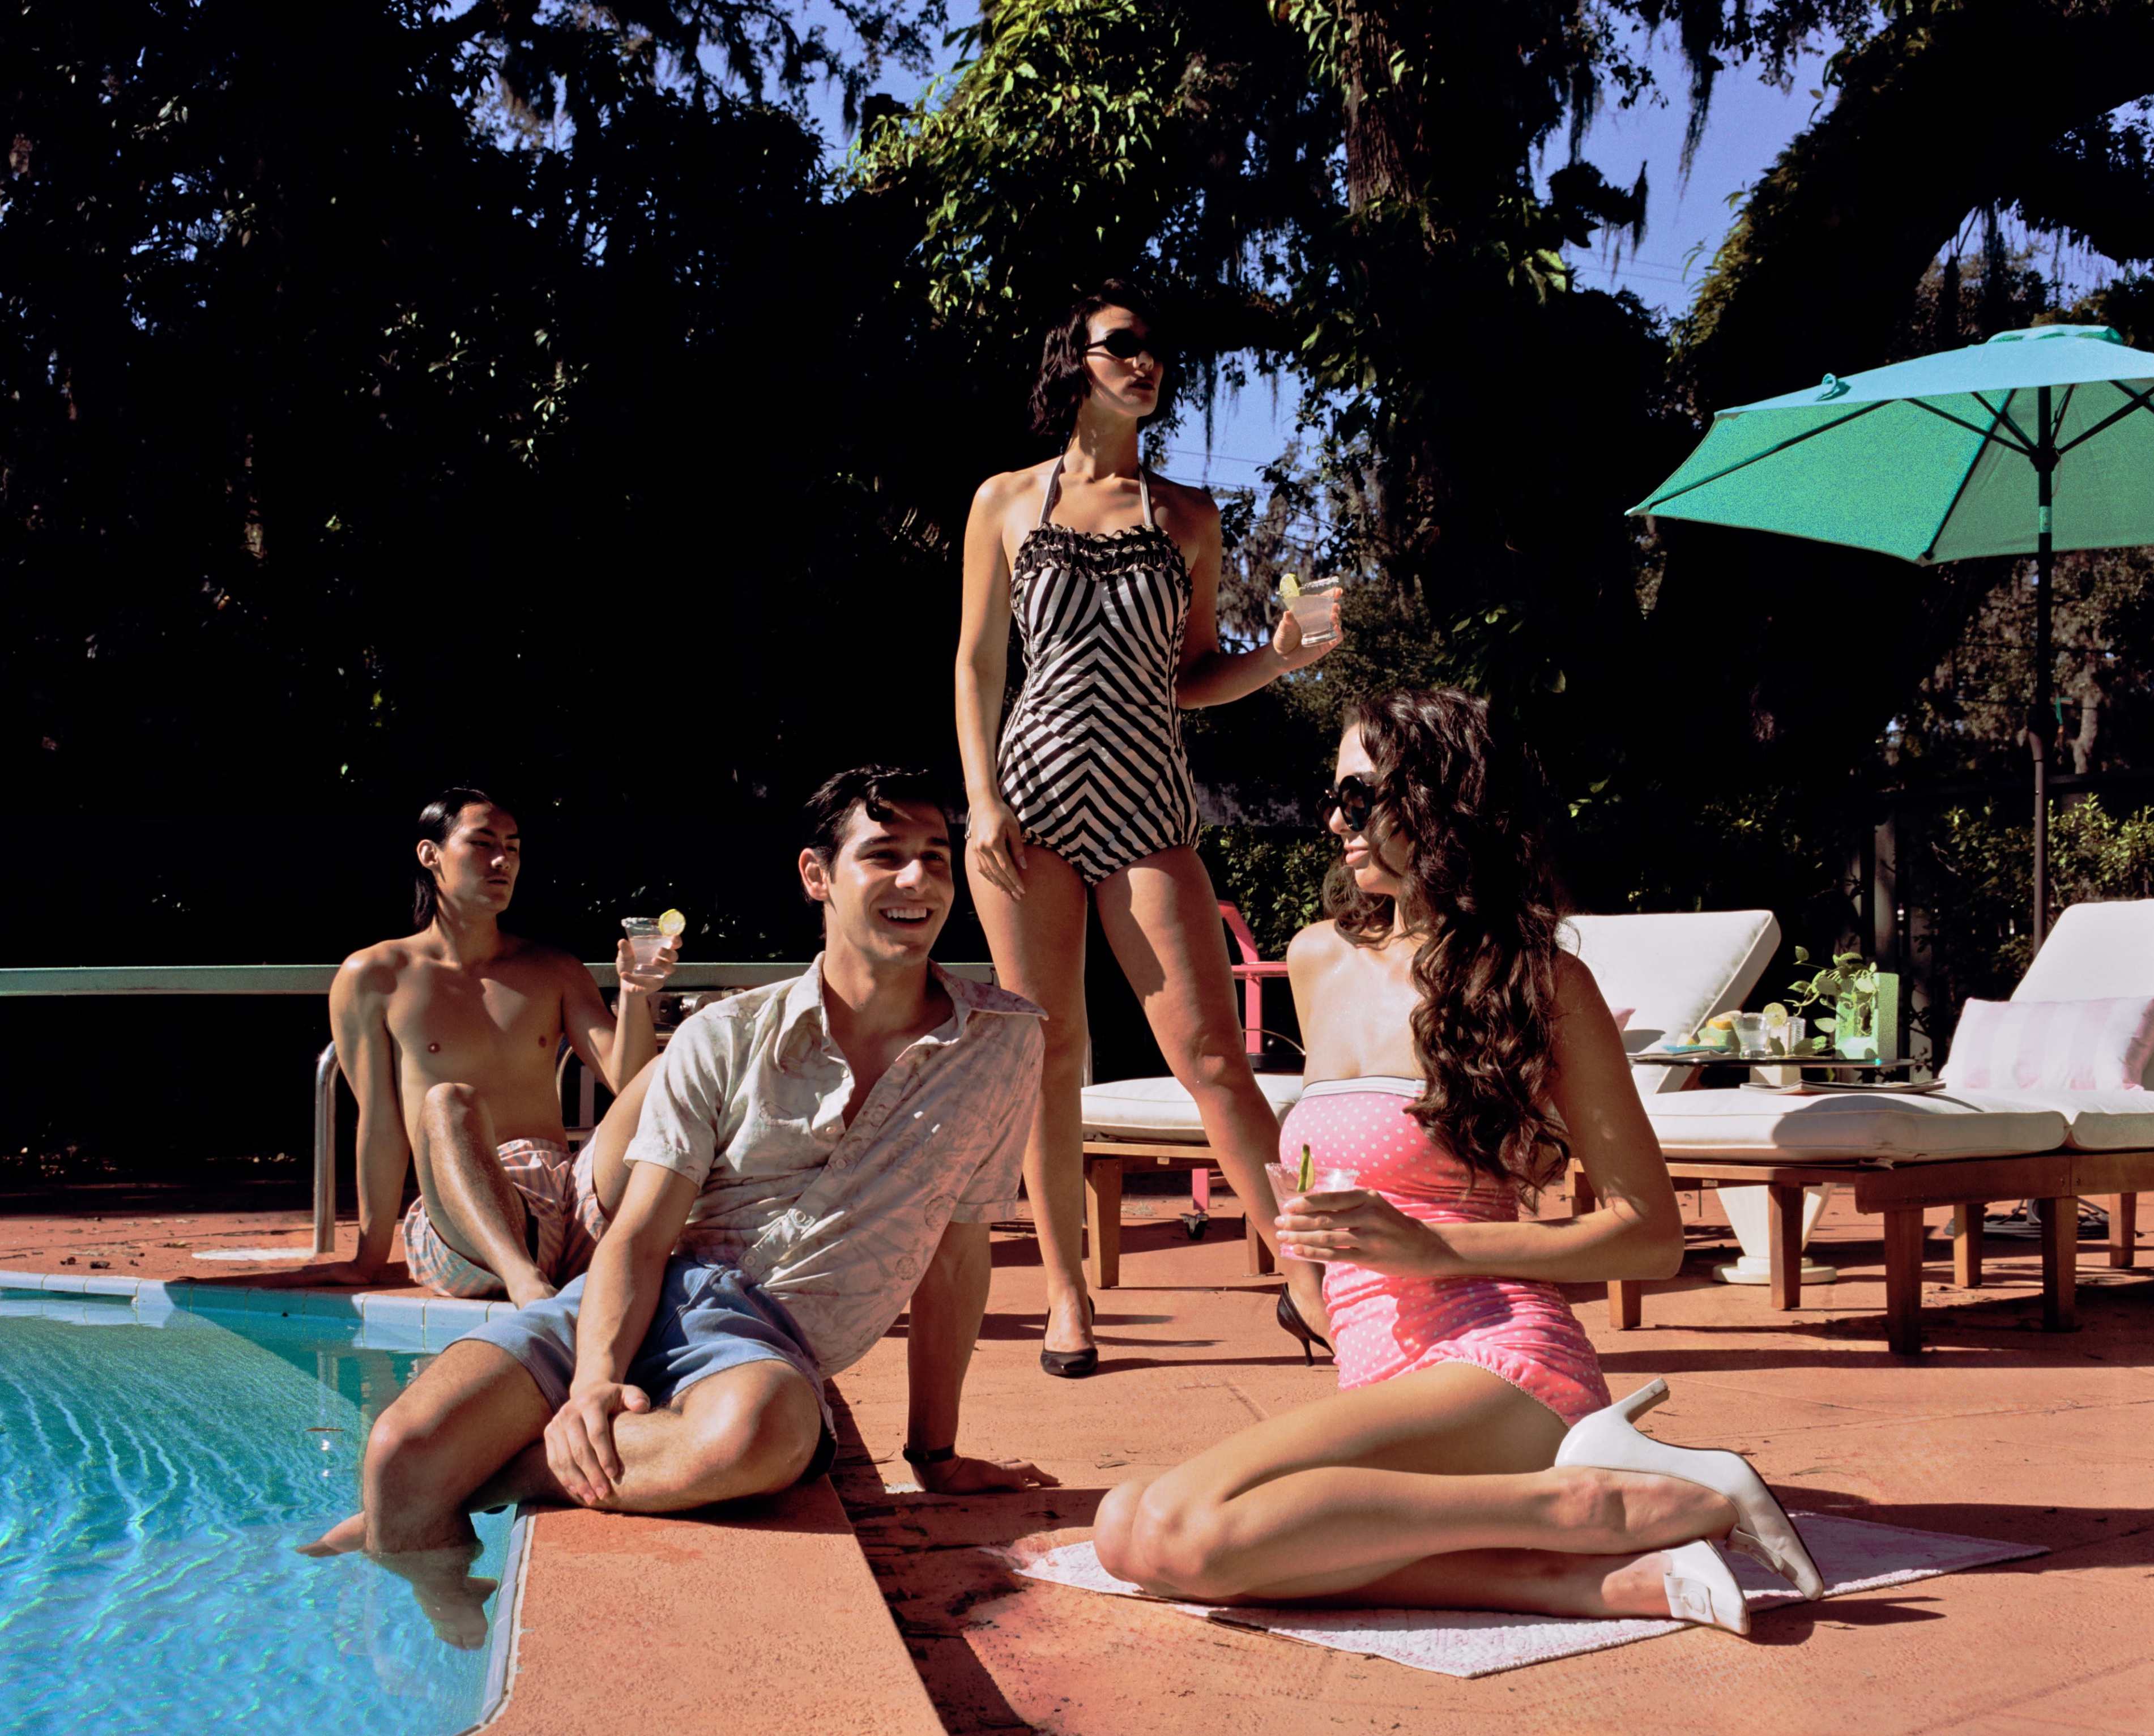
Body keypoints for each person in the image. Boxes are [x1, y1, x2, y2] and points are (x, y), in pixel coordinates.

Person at [1090, 691, 1825, 1635]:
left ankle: (1586, 1504)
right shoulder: (1317, 959)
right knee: (1124, 1531)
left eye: (1359, 799)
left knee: (1186, 1530)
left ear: (1437, 801)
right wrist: (1301, 1253)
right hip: (1375, 1362)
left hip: (1499, 1361)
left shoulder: (1542, 983)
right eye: (1334, 798)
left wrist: (1432, 1248)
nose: (1334, 822)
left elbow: (1650, 1236)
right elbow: (1324, 1164)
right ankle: (1583, 1565)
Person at [304, 766, 1055, 1644]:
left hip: (762, 1338)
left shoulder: (1001, 1041)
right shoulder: (728, 1033)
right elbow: (640, 1235)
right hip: (638, 1289)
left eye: (935, 860)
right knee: (397, 1451)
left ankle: (494, 1476)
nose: (918, 882)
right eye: (884, 857)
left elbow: (959, 1249)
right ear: (817, 876)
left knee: (760, 1434)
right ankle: (444, 1616)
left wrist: (934, 1453)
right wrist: (590, 1384)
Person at [956, 277, 1343, 1376]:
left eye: (1154, 352)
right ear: (1074, 360)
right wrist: (980, 798)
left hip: (1146, 799)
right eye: (1122, 346)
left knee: (1213, 1053)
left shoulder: (1188, 518)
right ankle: (1070, 1298)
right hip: (1027, 793)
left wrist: (1277, 659)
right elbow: (979, 661)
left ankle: (1307, 1279)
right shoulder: (1005, 502)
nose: (1145, 363)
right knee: (1048, 1051)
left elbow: (1190, 677)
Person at [262, 787, 675, 1306]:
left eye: (514, 847)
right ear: (430, 854)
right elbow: (383, 1123)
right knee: (446, 1101)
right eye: (483, 843)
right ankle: (523, 1279)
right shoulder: (375, 976)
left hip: (569, 1206)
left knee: (672, 1069)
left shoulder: (552, 970)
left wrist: (636, 994)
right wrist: (369, 1259)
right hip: (465, 1218)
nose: (503, 860)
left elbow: (631, 1084)